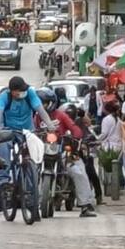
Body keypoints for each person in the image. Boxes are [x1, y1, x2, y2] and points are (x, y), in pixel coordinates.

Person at [36, 88, 97, 217]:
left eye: (43, 103)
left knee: (78, 171)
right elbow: (32, 129)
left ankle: (85, 205)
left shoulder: (60, 115)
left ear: (50, 103)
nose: (41, 106)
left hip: (61, 152)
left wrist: (75, 137)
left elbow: (74, 128)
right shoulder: (37, 116)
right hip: (41, 153)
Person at [0, 76, 55, 187]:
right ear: (13, 91)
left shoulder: (30, 93)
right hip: (10, 131)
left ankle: (31, 187)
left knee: (32, 156)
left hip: (28, 132)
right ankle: (4, 180)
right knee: (3, 145)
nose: (23, 92)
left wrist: (50, 125)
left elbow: (40, 110)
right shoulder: (4, 97)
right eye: (20, 91)